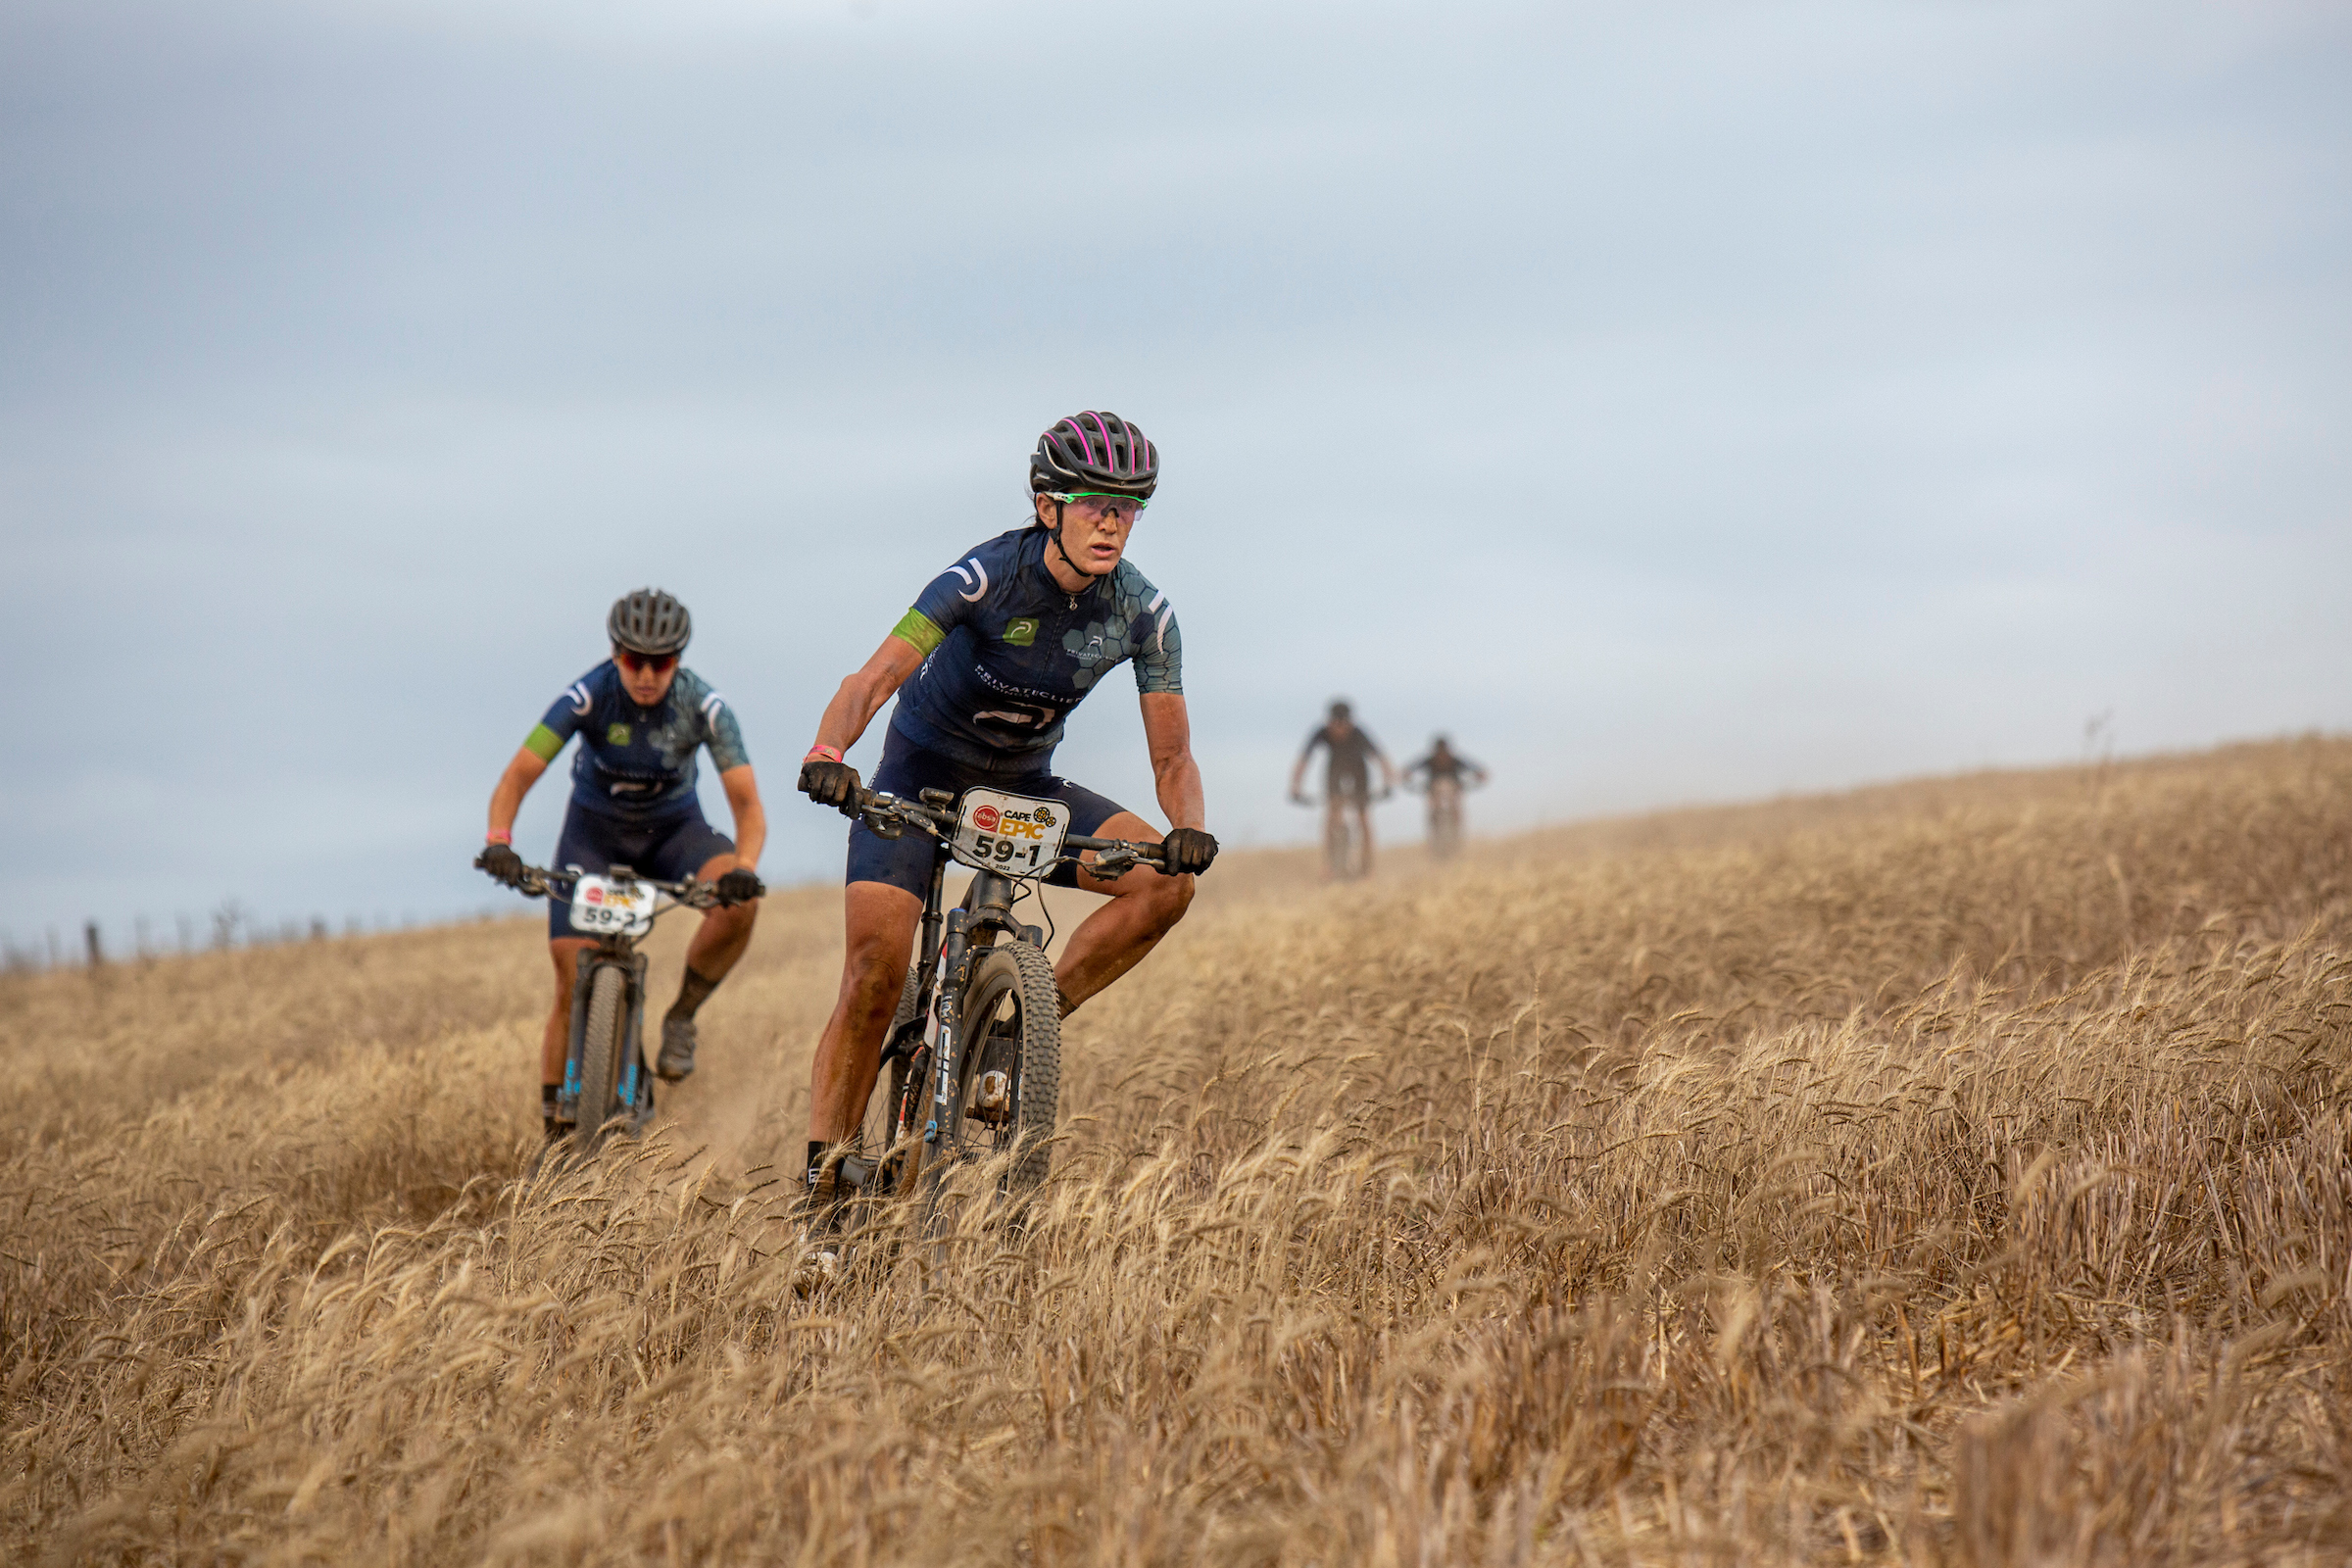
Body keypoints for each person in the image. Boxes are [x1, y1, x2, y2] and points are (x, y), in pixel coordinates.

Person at [795, 410, 1217, 1204]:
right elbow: (874, 679)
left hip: (1024, 787)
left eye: (1129, 508)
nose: (1113, 524)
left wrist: (1189, 827)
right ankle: (824, 1191)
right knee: (874, 974)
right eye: (1095, 503)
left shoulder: (1145, 614)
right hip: (919, 779)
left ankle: (1021, 1024)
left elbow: (1173, 755)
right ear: (1047, 505)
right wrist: (828, 754)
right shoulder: (980, 578)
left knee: (1166, 882)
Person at [474, 589, 767, 1140]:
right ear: (615, 654)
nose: (647, 675)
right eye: (634, 660)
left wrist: (744, 865)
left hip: (675, 834)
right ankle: (557, 1134)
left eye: (662, 662)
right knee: (570, 973)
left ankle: (681, 1017)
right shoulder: (587, 696)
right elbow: (516, 777)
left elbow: (749, 808)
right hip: (593, 837)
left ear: (678, 660)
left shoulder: (705, 707)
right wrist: (499, 842)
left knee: (741, 905)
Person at [1290, 700, 1395, 878]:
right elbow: (1303, 760)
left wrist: (1388, 782)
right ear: (1329, 722)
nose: (1339, 730)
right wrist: (1295, 786)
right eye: (1335, 725)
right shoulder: (1321, 733)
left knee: (1362, 817)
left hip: (1358, 771)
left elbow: (1380, 758)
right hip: (1334, 771)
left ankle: (1368, 867)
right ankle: (1328, 866)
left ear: (1350, 722)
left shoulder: (1359, 733)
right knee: (1331, 815)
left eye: (1343, 725)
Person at [1403, 734, 1488, 857]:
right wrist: (1407, 774)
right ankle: (1434, 837)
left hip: (1453, 789)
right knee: (1433, 810)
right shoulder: (1430, 760)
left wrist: (1479, 774)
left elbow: (1474, 767)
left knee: (1455, 808)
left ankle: (1457, 834)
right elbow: (1411, 768)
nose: (1441, 754)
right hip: (1434, 789)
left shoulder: (1454, 760)